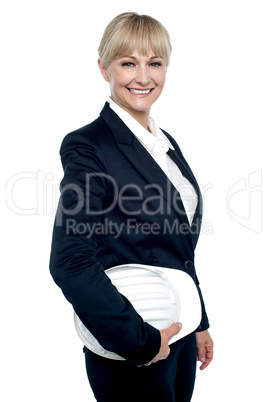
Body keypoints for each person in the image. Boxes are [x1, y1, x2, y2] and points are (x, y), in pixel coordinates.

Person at [49, 12, 213, 402]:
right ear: (104, 67)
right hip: (135, 350)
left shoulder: (164, 143)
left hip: (179, 335)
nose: (143, 77)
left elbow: (178, 248)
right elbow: (69, 259)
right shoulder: (89, 146)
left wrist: (199, 320)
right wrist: (138, 342)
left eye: (154, 63)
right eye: (128, 63)